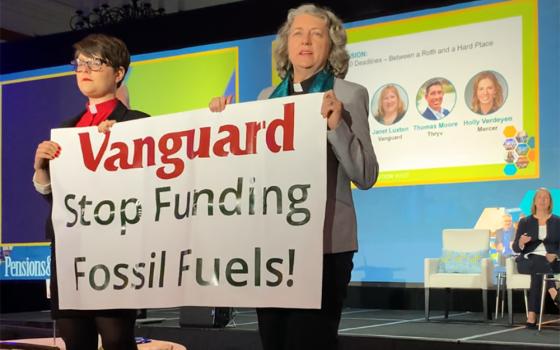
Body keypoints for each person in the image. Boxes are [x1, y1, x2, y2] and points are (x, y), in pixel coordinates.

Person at [209, 4, 378, 349]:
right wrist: (220, 125)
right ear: (286, 45)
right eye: (298, 34)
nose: (306, 41)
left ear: (331, 46)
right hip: (272, 245)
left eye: (317, 34)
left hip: (326, 245)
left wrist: (336, 127)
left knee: (311, 341)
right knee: (273, 340)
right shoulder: (265, 99)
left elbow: (366, 174)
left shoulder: (349, 94)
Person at [32, 34, 149, 350]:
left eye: (95, 62)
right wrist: (41, 170)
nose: (84, 70)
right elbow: (58, 200)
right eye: (80, 63)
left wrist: (121, 145)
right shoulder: (67, 130)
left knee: (116, 338)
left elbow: (152, 188)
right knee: (75, 338)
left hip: (115, 250)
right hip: (70, 249)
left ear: (119, 73)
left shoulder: (138, 124)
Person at [513, 188, 560, 329]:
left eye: (546, 197)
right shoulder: (524, 221)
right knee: (539, 262)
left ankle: (532, 316)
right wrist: (521, 242)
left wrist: (556, 254)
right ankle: (554, 293)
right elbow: (516, 247)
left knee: (539, 271)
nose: (542, 200)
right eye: (539, 197)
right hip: (527, 261)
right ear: (534, 201)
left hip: (552, 261)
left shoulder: (557, 221)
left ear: (550, 202)